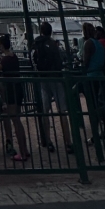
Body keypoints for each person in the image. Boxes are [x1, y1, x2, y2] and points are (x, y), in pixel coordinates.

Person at [32, 22, 73, 154]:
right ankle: (68, 142)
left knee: (45, 111)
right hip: (56, 78)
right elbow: (60, 60)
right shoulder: (54, 45)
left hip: (43, 79)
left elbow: (32, 59)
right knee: (62, 111)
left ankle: (48, 140)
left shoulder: (36, 44)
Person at [0, 34, 29, 162]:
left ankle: (23, 153)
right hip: (18, 89)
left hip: (11, 90)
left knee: (15, 120)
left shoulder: (5, 59)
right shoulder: (14, 57)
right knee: (17, 119)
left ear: (2, 45)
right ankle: (24, 150)